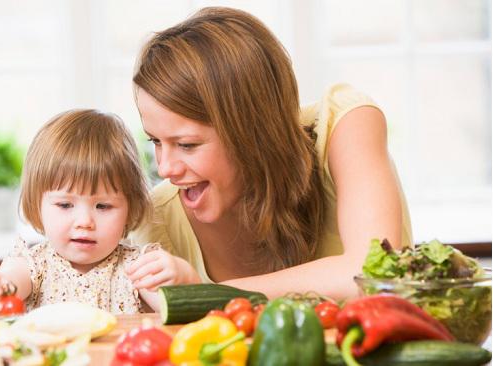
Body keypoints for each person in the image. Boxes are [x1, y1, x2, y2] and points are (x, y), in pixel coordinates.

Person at [128, 6, 413, 300]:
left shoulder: (346, 126)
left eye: (187, 145)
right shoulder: (159, 220)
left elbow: (375, 276)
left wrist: (207, 295)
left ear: (252, 131)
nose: (165, 168)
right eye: (155, 141)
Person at [0, 109, 200, 314]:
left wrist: (184, 276)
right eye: (65, 205)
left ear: (130, 209)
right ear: (37, 205)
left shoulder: (135, 268)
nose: (85, 222)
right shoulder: (34, 265)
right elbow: (8, 283)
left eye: (103, 206)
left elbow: (180, 308)